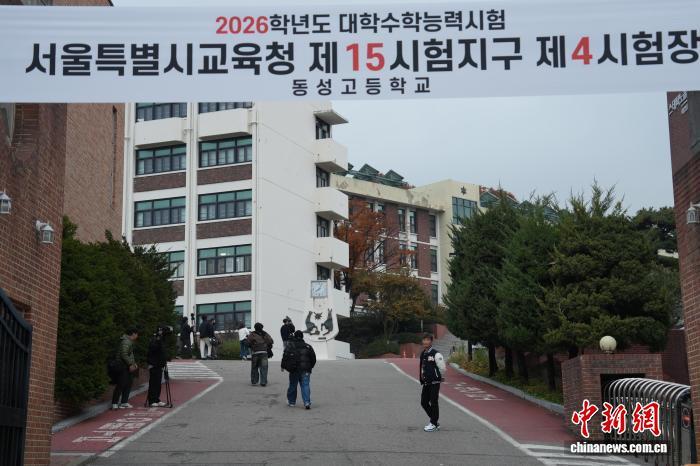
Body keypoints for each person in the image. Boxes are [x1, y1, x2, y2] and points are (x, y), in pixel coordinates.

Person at [282, 330, 317, 409]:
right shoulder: (308, 346)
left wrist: (283, 366)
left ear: (294, 337)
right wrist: (309, 367)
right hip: (305, 369)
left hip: (294, 369)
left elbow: (285, 356)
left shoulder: (290, 346)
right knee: (305, 385)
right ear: (302, 337)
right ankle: (307, 402)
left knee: (293, 385)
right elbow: (313, 359)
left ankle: (291, 402)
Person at [419, 333, 446, 432]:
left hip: (434, 382)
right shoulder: (423, 353)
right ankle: (434, 420)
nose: (425, 342)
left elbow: (442, 367)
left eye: (427, 340)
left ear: (431, 341)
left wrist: (439, 377)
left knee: (434, 402)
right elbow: (422, 366)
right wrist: (422, 377)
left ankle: (433, 423)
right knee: (424, 402)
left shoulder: (436, 354)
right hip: (426, 382)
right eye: (424, 340)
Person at [111, 328, 139, 410]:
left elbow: (130, 355)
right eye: (137, 334)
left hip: (127, 365)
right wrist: (130, 364)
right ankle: (115, 403)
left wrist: (133, 363)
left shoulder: (128, 341)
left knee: (128, 383)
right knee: (121, 383)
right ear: (133, 334)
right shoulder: (126, 342)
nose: (137, 336)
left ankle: (124, 402)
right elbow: (124, 354)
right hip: (123, 366)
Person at [147, 326, 169, 407]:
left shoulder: (161, 340)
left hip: (159, 365)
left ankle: (156, 399)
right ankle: (152, 400)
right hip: (154, 365)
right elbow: (153, 350)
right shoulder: (154, 340)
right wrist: (158, 339)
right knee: (153, 383)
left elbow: (162, 352)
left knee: (158, 384)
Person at [247, 322, 273, 386]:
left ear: (255, 328)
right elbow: (271, 341)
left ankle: (254, 381)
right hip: (264, 353)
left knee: (254, 367)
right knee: (264, 367)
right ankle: (263, 382)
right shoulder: (265, 334)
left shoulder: (252, 334)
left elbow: (248, 342)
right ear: (262, 327)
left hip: (255, 353)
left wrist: (252, 345)